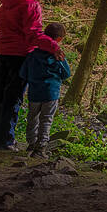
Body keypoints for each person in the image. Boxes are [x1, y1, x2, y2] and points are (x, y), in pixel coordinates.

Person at [0, 0, 48, 150]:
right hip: (20, 56)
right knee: (13, 98)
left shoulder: (4, 6)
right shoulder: (31, 6)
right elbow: (34, 34)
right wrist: (54, 47)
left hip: (1, 53)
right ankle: (6, 140)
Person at [19, 22, 71, 156]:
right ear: (58, 39)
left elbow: (23, 73)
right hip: (51, 93)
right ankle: (41, 147)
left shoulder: (32, 55)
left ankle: (31, 144)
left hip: (34, 93)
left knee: (32, 118)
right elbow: (66, 74)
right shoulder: (58, 56)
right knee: (46, 119)